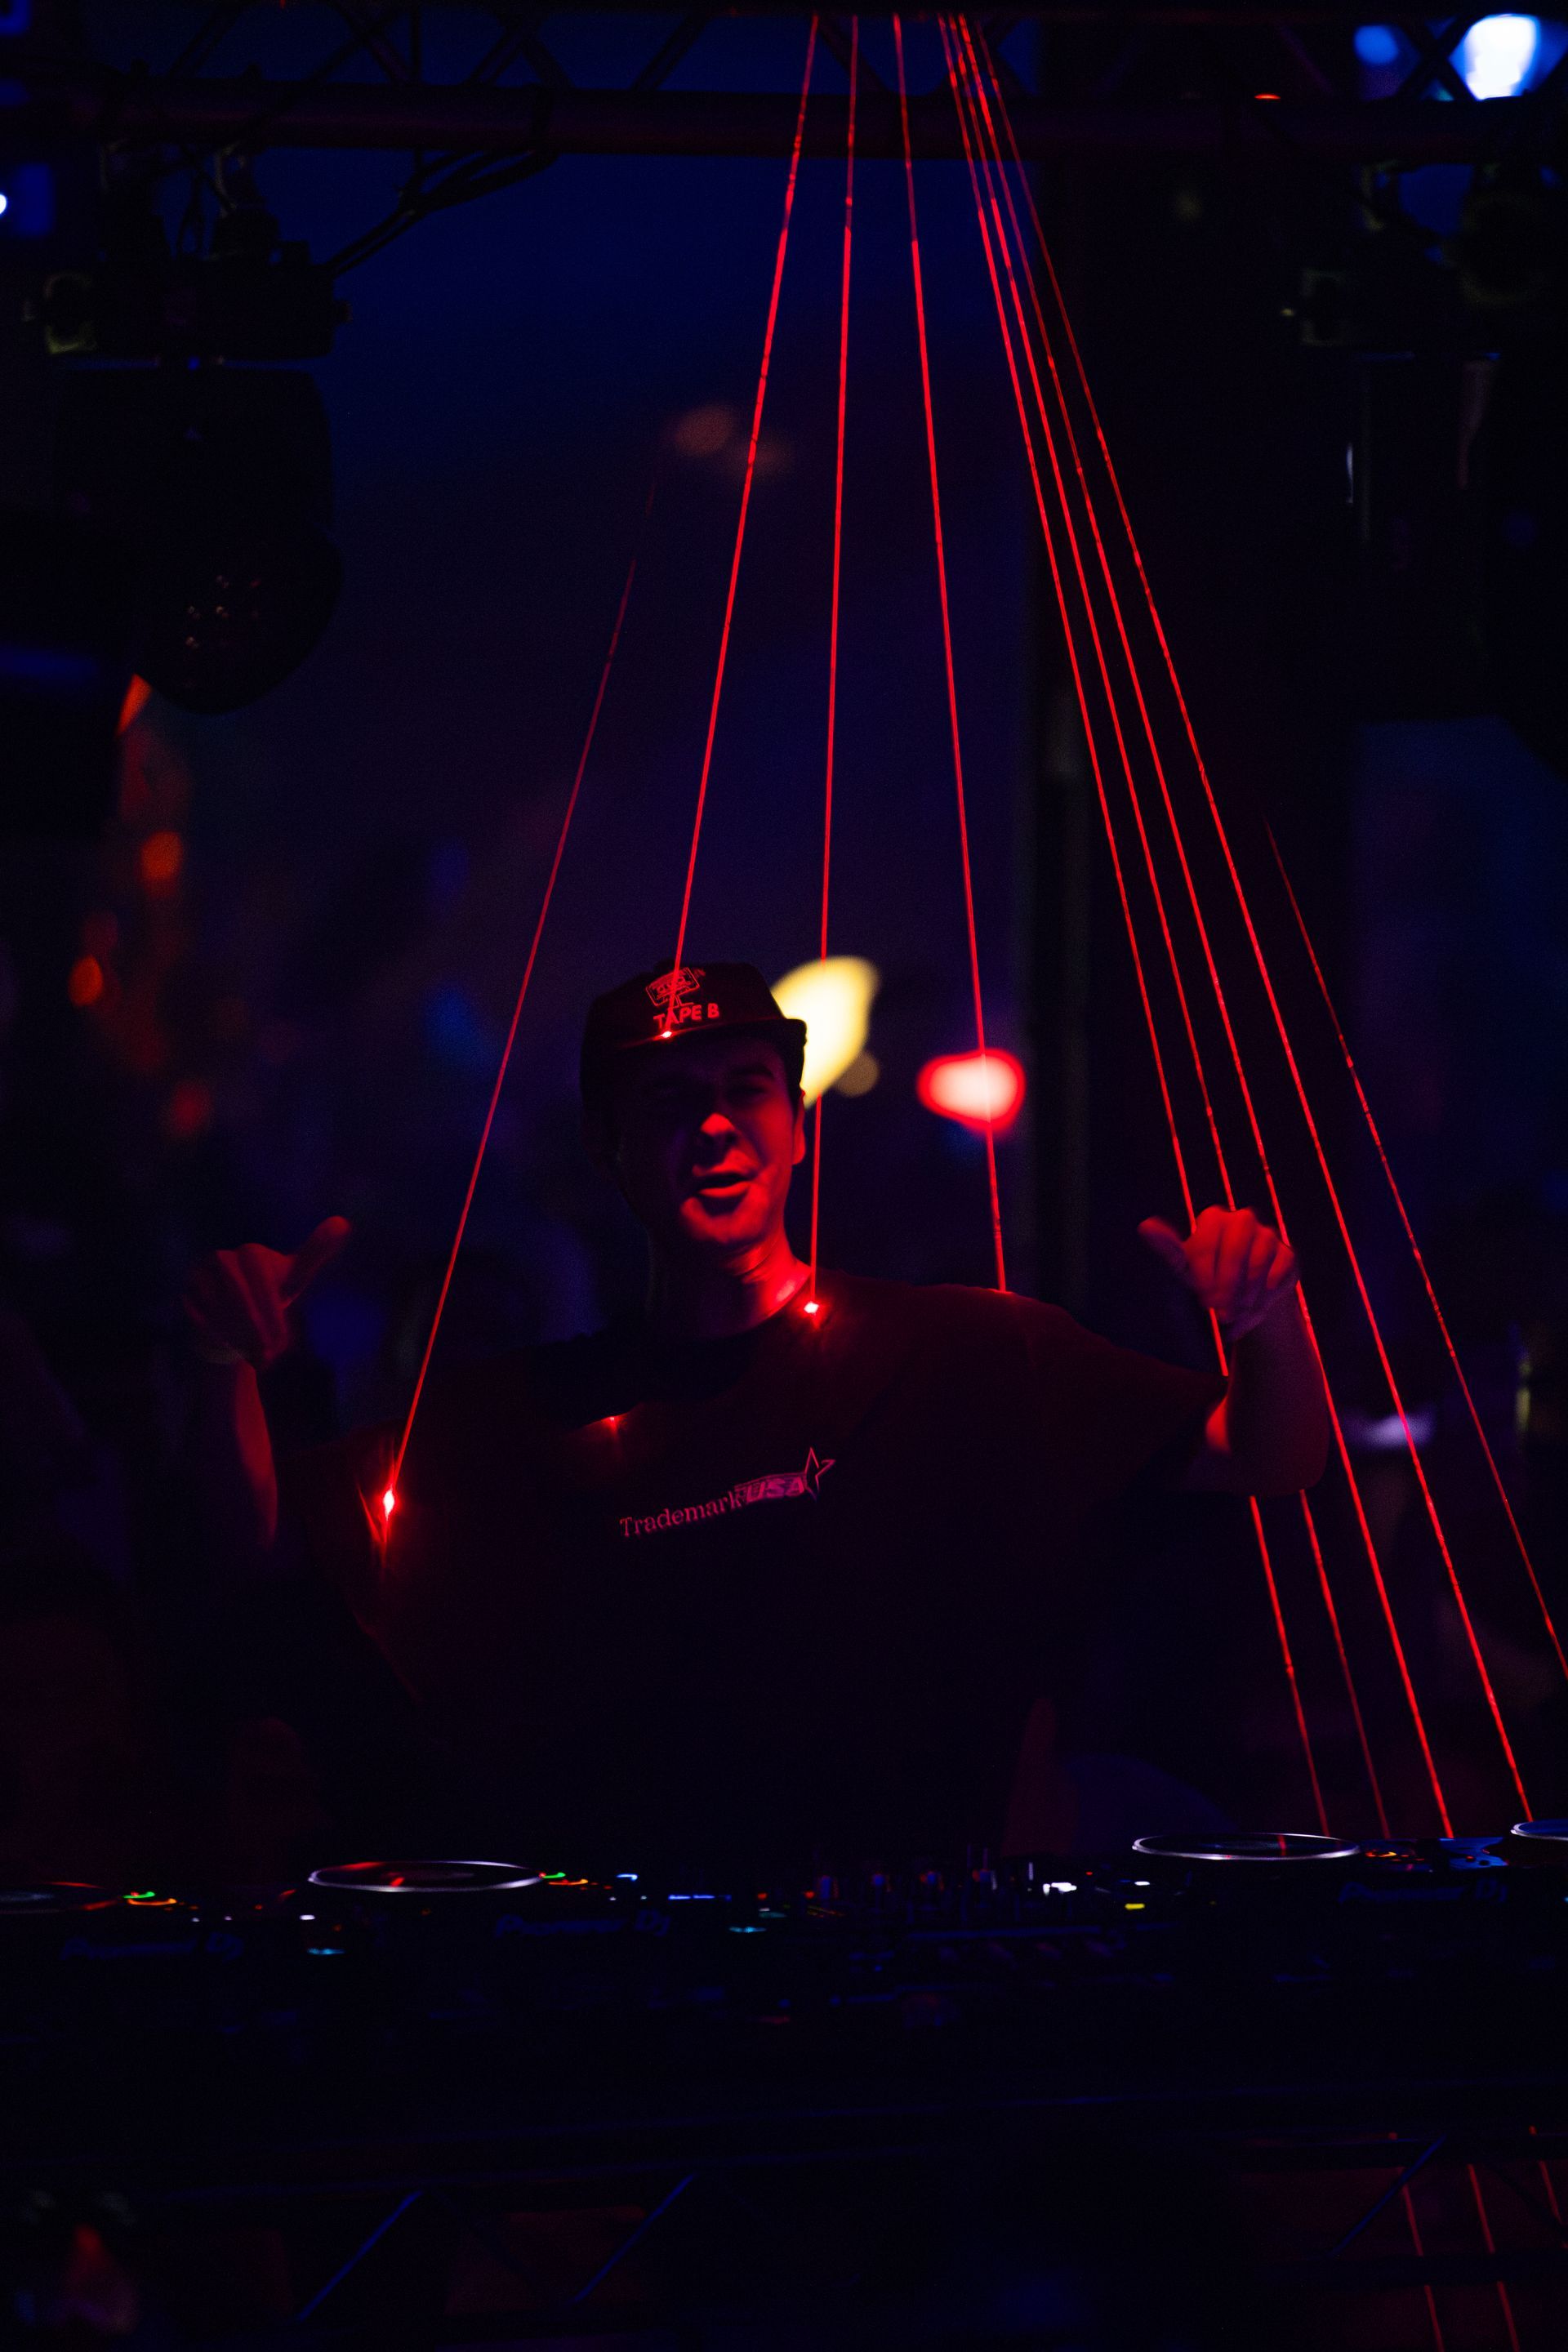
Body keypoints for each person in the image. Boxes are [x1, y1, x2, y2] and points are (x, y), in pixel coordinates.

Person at [183, 960, 1328, 1873]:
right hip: (651, 2012)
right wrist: (222, 1362)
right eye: (672, 1103)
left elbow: (1268, 1455)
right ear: (609, 1150)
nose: (716, 1129)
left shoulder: (969, 1350)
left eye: (744, 1091)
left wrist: (1268, 1319)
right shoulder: (531, 1418)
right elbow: (261, 1534)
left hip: (939, 1997)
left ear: (796, 1125)